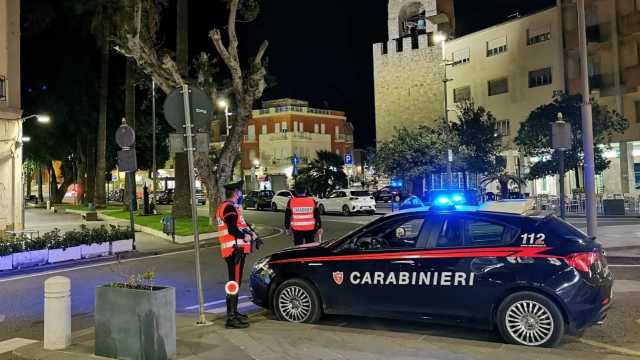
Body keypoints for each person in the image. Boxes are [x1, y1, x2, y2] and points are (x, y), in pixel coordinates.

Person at [215, 180, 259, 329]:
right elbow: (233, 229)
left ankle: (234, 311)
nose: (241, 194)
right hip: (235, 251)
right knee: (234, 283)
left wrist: (252, 234)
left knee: (235, 282)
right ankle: (231, 318)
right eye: (240, 192)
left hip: (235, 250)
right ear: (235, 193)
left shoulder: (230, 207)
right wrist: (244, 237)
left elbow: (241, 225)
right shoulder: (229, 208)